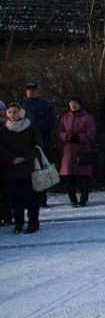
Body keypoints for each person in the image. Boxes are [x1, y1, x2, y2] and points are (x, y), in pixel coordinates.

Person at [0, 103, 42, 233]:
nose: (13, 114)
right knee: (16, 199)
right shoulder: (3, 129)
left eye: (15, 112)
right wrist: (12, 158)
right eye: (10, 112)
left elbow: (38, 145)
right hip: (11, 168)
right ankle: (18, 223)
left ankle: (33, 223)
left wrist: (25, 157)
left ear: (21, 113)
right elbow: (1, 148)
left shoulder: (30, 127)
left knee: (31, 198)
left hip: (28, 167)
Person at [18, 82, 55, 208]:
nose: (30, 92)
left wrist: (35, 126)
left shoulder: (45, 105)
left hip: (41, 143)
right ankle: (26, 199)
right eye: (28, 90)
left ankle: (41, 198)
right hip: (23, 145)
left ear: (38, 92)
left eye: (33, 90)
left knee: (41, 171)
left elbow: (50, 122)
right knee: (25, 173)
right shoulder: (20, 104)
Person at [57, 95, 96, 207]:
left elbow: (91, 132)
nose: (72, 105)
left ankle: (83, 198)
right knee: (70, 176)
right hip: (68, 150)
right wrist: (67, 137)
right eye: (70, 103)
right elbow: (60, 131)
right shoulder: (65, 117)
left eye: (74, 103)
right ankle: (72, 199)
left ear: (80, 104)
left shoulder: (87, 118)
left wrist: (80, 137)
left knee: (83, 176)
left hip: (83, 149)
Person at [0, 101, 11, 226]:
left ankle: (8, 216)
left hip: (8, 162)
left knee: (7, 192)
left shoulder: (10, 125)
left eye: (2, 109)